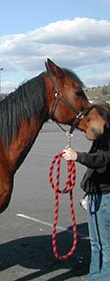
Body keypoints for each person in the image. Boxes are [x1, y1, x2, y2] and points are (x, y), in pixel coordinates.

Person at [62, 102, 110, 281]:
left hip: (106, 196)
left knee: (106, 245)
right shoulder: (101, 138)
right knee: (95, 243)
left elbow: (101, 160)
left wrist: (78, 156)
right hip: (95, 194)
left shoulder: (108, 139)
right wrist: (88, 191)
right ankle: (94, 276)